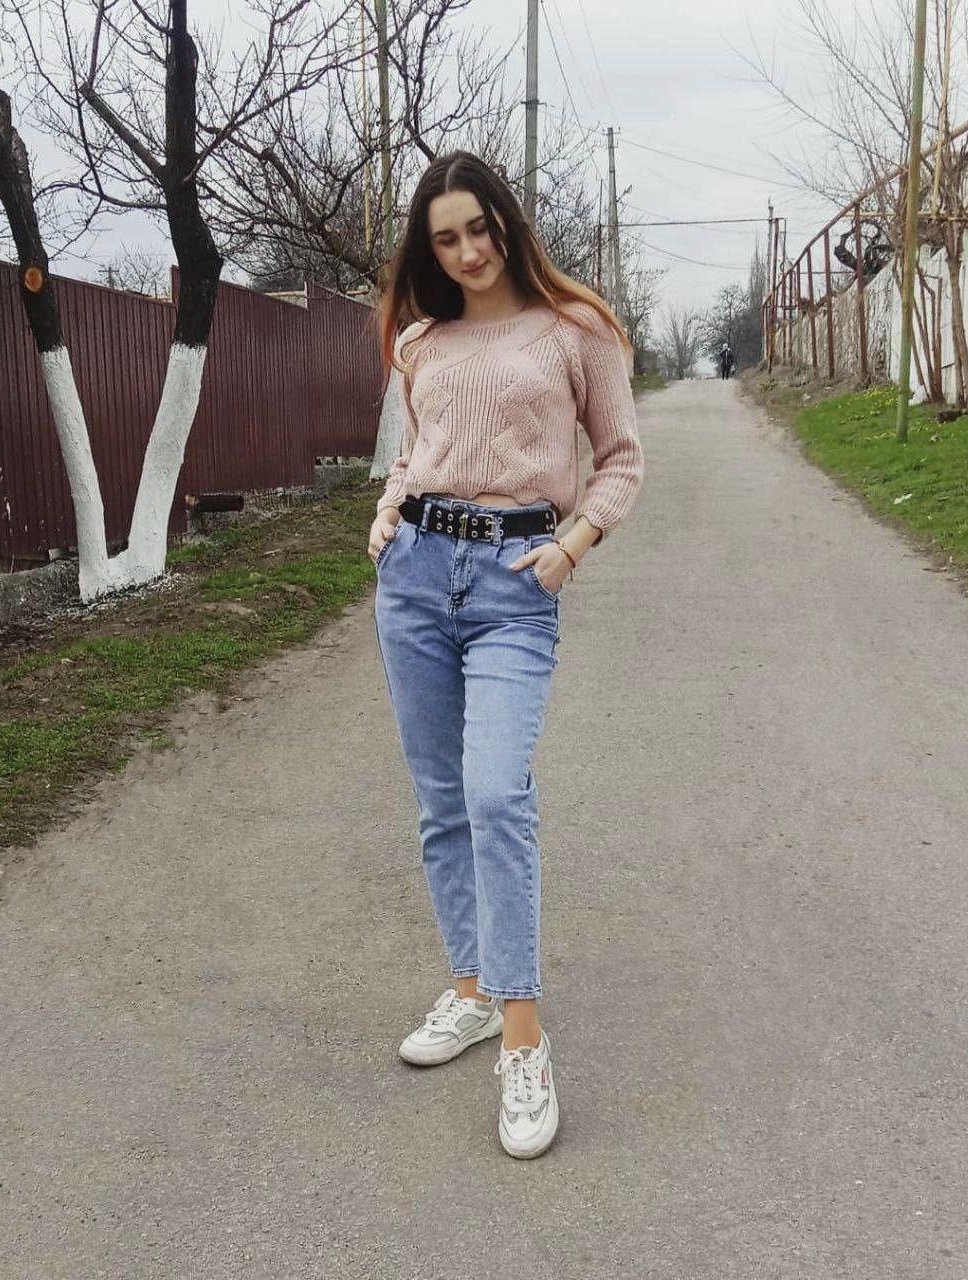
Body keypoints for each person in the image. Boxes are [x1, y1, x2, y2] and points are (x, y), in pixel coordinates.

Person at [369, 151, 644, 1159]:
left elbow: (620, 459)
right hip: (413, 576)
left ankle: (523, 1038)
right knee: (441, 799)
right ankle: (473, 989)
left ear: (506, 223)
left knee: (495, 794)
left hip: (514, 583)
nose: (467, 252)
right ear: (427, 248)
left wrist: (572, 546)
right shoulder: (419, 341)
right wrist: (386, 511)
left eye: (478, 229)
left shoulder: (576, 328)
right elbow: (413, 451)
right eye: (445, 238)